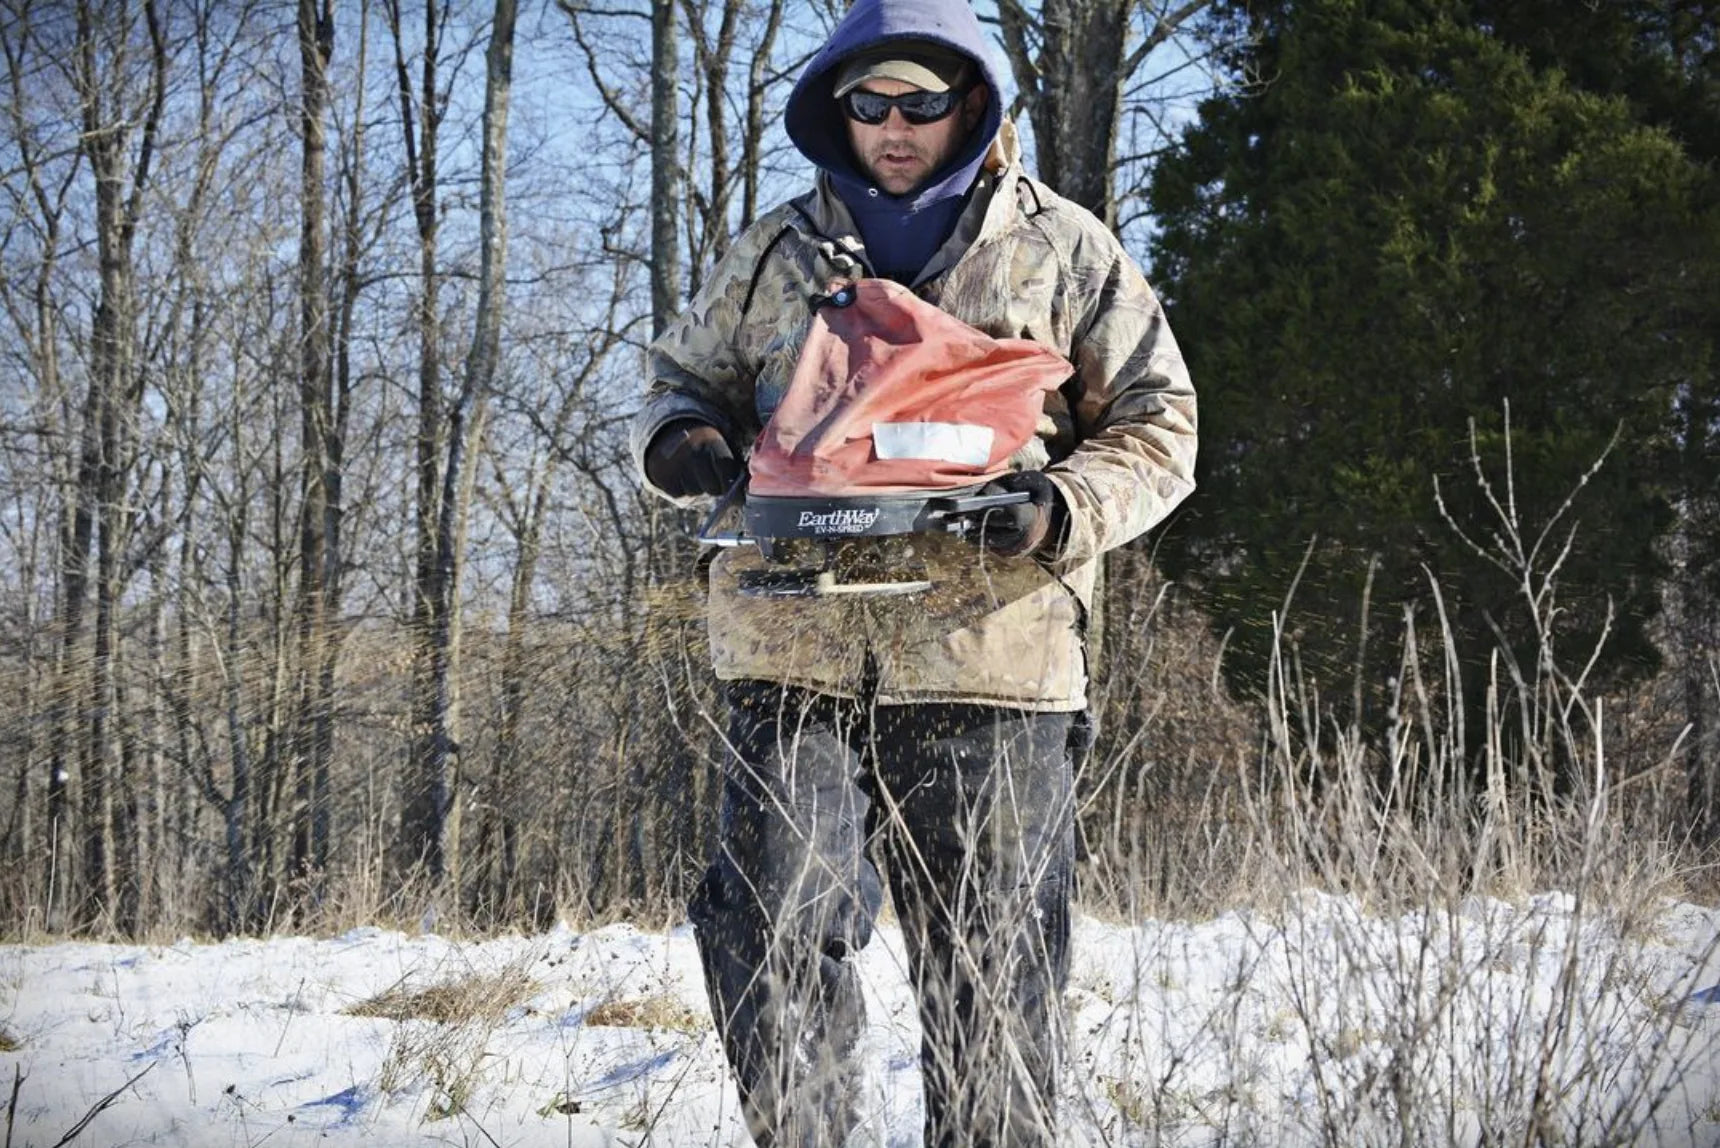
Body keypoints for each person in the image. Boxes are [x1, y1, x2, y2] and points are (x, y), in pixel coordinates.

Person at [632, 1, 1196, 1144]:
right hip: (795, 644)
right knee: (772, 925)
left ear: (972, 103)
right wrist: (682, 440)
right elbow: (678, 379)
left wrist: (1061, 505)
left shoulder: (1065, 247)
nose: (893, 125)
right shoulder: (774, 249)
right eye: (868, 102)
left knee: (993, 959)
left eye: (921, 102)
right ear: (836, 108)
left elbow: (1161, 421)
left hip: (993, 654)